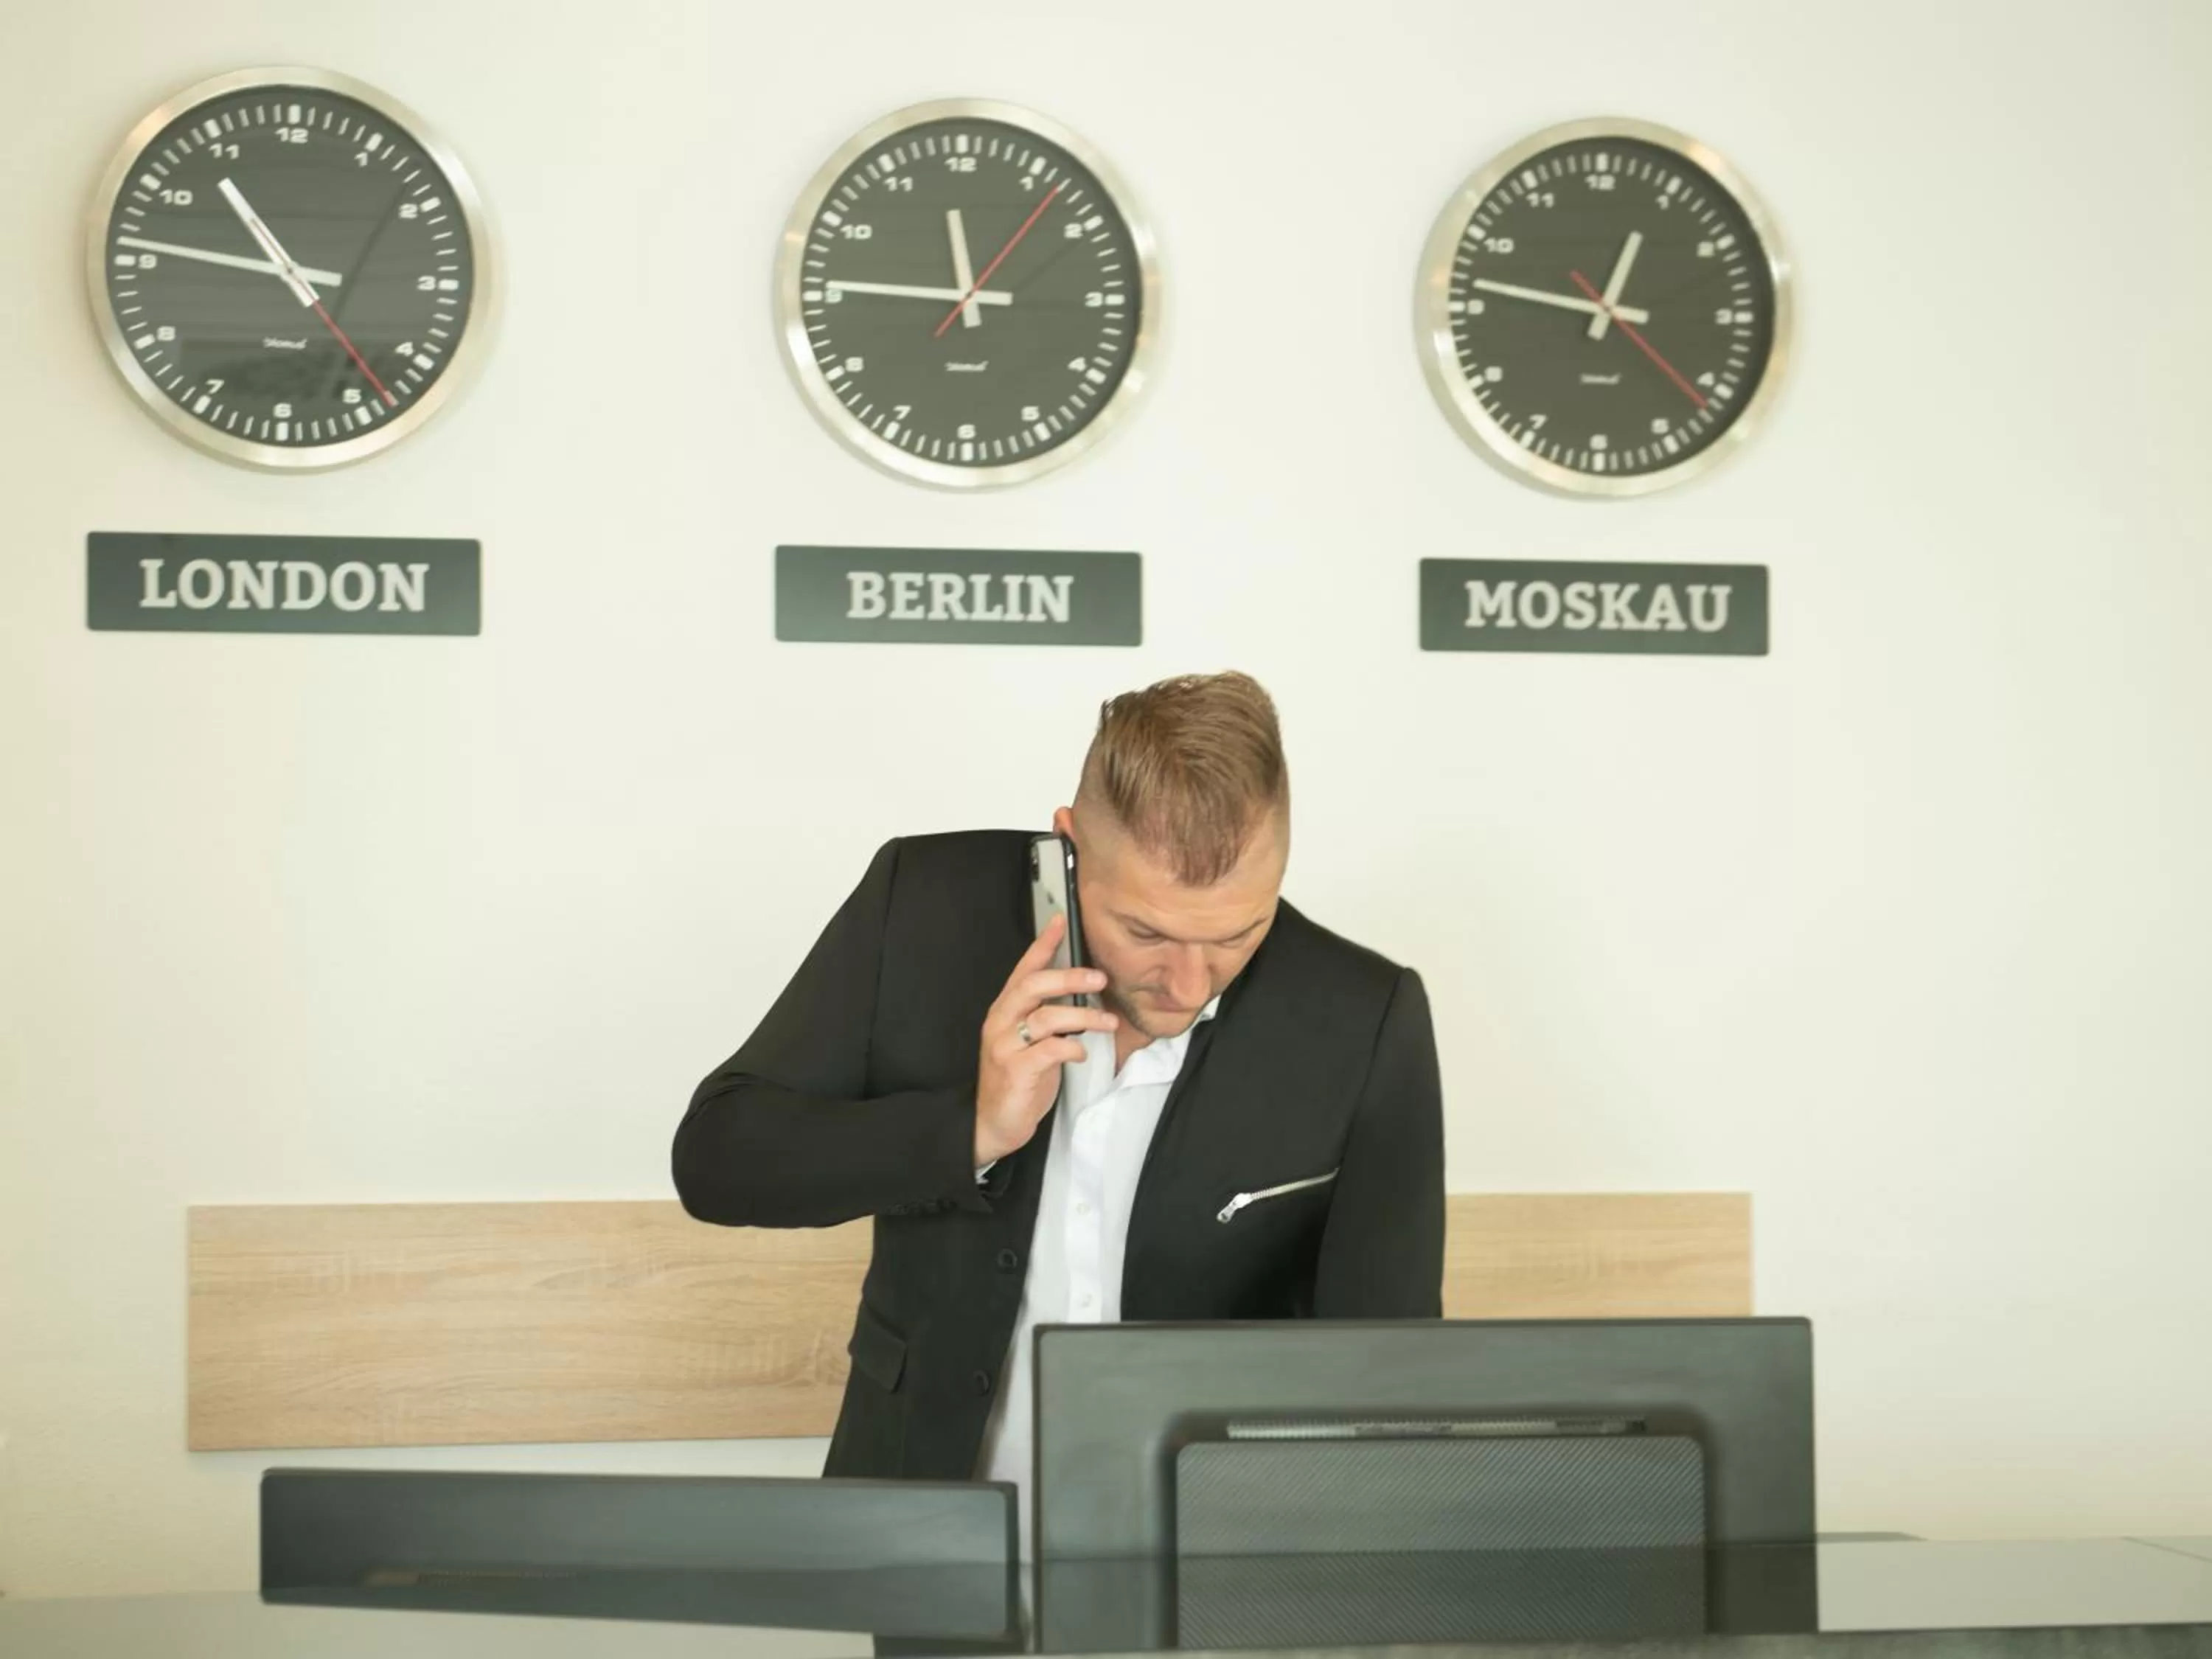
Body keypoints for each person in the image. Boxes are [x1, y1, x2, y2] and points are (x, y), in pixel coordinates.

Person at [672, 670, 1444, 1534]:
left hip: (1214, 1567)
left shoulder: (1365, 1014)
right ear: (1069, 844)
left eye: (1237, 933)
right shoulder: (921, 905)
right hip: (922, 1533)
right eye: (1146, 931)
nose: (1190, 983)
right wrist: (969, 1130)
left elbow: (1389, 1372)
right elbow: (718, 1161)